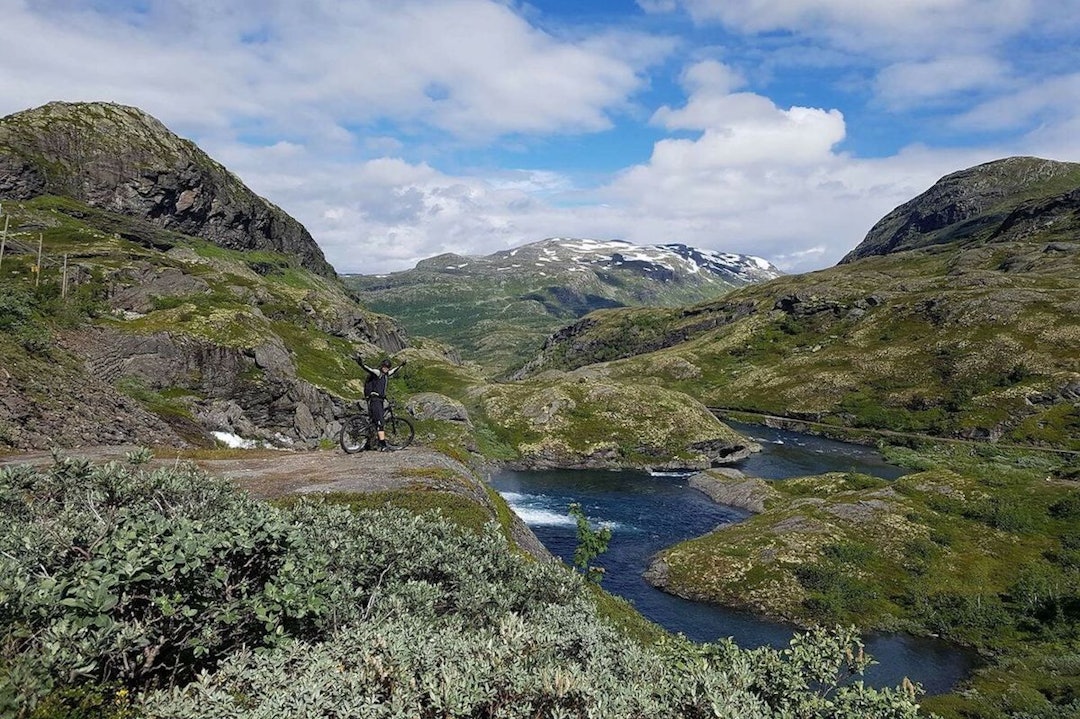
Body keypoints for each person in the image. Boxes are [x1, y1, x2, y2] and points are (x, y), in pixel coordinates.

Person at [358, 355, 406, 451]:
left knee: (376, 421)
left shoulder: (386, 374)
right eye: (384, 367)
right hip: (375, 400)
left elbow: (394, 371)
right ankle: (383, 446)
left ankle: (370, 442)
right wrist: (361, 363)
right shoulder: (378, 373)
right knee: (380, 423)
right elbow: (369, 369)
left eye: (387, 367)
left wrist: (401, 365)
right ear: (381, 366)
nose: (386, 369)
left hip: (380, 400)